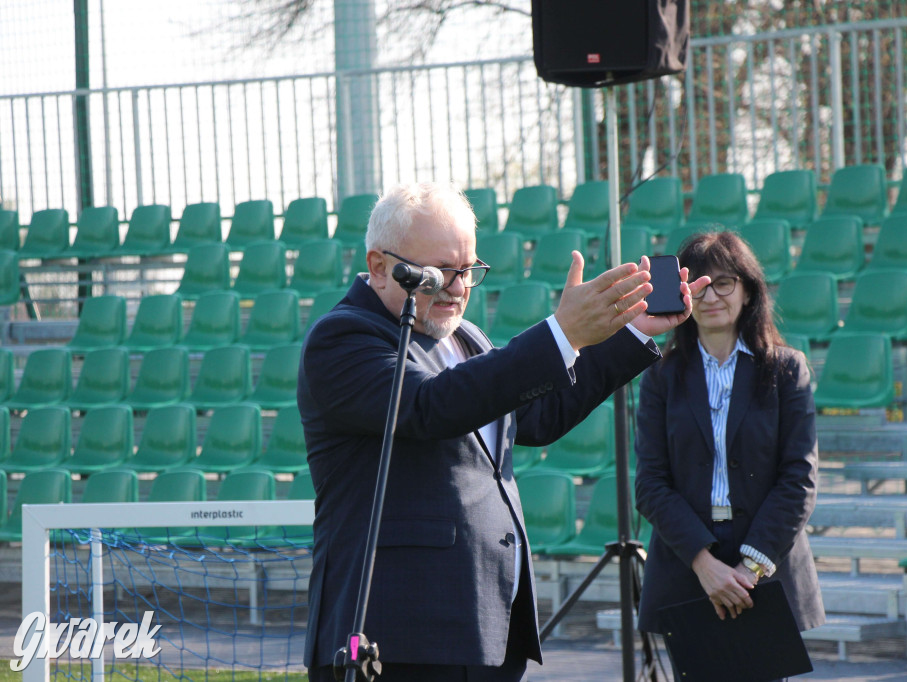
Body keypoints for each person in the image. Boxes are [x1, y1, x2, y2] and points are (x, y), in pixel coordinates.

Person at [298, 181, 708, 682]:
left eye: (468, 270)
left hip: (483, 625)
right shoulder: (342, 338)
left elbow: (535, 418)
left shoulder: (467, 336)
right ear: (380, 267)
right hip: (397, 633)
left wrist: (633, 333)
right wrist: (562, 333)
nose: (458, 287)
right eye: (439, 272)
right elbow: (431, 406)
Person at [634, 230, 825, 681]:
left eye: (724, 282)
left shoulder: (785, 368)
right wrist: (706, 566)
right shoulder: (662, 375)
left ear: (747, 290)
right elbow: (651, 484)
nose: (711, 295)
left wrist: (746, 569)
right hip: (689, 566)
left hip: (762, 568)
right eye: (697, 284)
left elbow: (799, 480)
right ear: (682, 292)